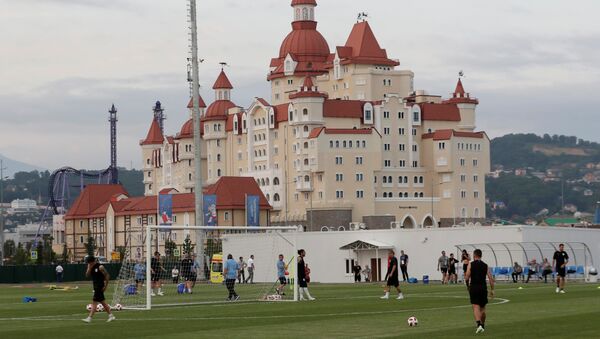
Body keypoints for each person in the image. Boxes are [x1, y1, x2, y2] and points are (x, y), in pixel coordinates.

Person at [465, 249, 495, 334]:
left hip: (474, 287)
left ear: (474, 256)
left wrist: (467, 286)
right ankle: (483, 325)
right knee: (483, 308)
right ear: (481, 256)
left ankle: (478, 325)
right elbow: (490, 279)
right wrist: (492, 290)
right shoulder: (485, 265)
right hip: (483, 288)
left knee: (475, 306)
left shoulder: (471, 264)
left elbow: (467, 277)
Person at [82, 256, 116, 323]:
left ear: (93, 261)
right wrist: (89, 268)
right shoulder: (90, 266)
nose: (89, 264)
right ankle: (111, 316)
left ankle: (89, 318)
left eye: (89, 262)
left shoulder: (100, 267)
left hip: (100, 286)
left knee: (94, 302)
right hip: (95, 286)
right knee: (103, 302)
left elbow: (107, 275)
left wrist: (105, 286)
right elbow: (87, 275)